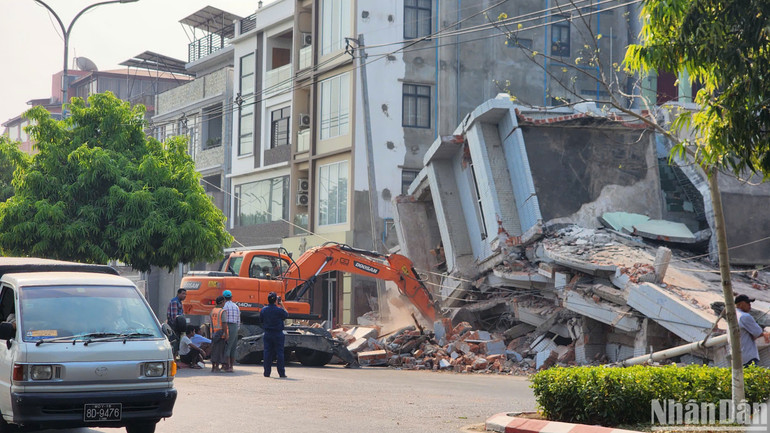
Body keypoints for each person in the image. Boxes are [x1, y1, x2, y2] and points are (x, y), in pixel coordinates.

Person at [735, 294, 770, 367]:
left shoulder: (734, 315)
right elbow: (758, 333)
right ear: (740, 304)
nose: (750, 305)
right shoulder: (744, 316)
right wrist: (765, 334)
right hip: (748, 357)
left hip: (738, 357)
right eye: (748, 303)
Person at [261, 291, 289, 378]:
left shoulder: (264, 310)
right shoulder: (279, 310)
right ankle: (281, 373)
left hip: (267, 333)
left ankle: (267, 372)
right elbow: (286, 314)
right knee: (280, 353)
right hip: (277, 334)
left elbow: (261, 320)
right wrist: (281, 304)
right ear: (276, 300)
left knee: (267, 353)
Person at [222, 290, 240, 373]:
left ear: (224, 298)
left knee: (227, 347)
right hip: (235, 327)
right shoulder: (236, 306)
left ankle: (227, 366)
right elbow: (238, 319)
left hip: (227, 326)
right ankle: (231, 366)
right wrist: (237, 328)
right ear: (231, 297)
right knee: (233, 347)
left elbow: (223, 320)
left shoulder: (224, 306)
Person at [209, 296, 228, 373]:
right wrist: (226, 334)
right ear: (222, 302)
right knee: (219, 351)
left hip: (213, 334)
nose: (224, 303)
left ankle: (213, 366)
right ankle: (216, 367)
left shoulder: (213, 311)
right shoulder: (222, 311)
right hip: (220, 334)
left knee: (214, 350)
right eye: (224, 302)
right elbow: (224, 323)